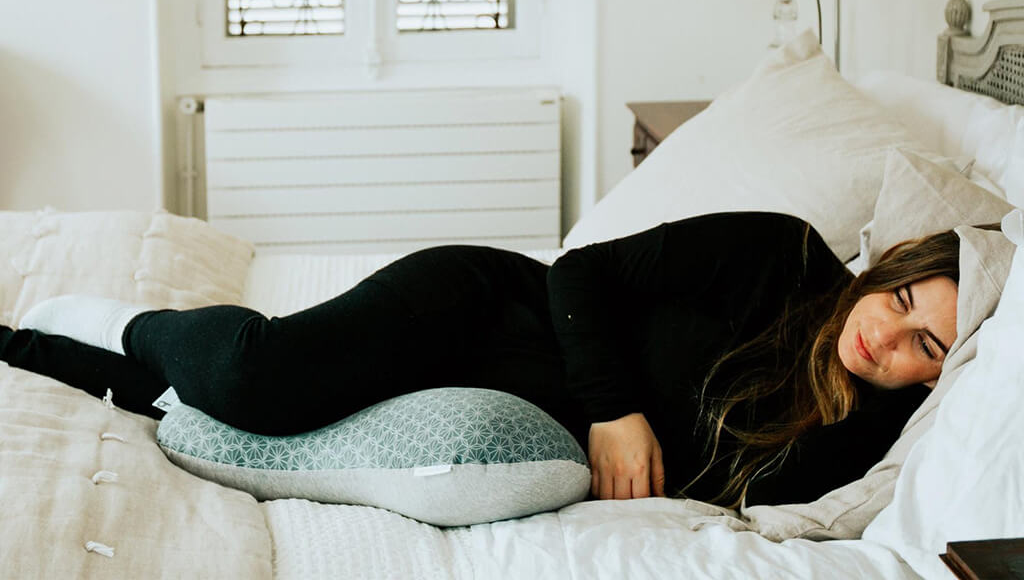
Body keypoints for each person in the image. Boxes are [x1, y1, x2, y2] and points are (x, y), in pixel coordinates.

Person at [3, 211, 959, 509]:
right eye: (901, 297)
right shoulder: (782, 255)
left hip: (498, 402)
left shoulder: (866, 445)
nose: (885, 332)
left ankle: (46, 354)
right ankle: (134, 322)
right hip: (477, 310)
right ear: (891, 269)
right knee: (262, 379)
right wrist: (615, 409)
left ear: (943, 377)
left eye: (926, 344)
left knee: (214, 416)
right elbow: (581, 268)